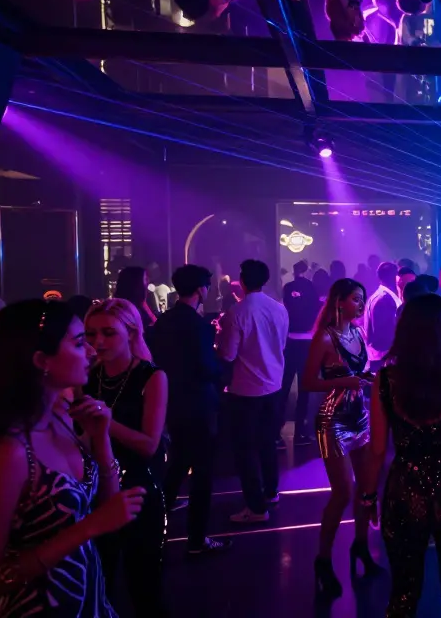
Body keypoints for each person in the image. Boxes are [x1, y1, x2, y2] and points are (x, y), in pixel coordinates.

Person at [0, 300, 144, 617]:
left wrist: (101, 440)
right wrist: (86, 529)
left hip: (87, 600)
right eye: (79, 342)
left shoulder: (61, 419)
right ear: (41, 360)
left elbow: (108, 509)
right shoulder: (6, 454)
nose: (91, 350)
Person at [362, 293, 441, 617]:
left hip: (405, 487)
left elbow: (376, 449)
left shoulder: (385, 380)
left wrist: (368, 497)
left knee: (403, 591)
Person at [83, 299, 169, 617]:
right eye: (90, 335)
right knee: (96, 583)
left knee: (145, 585)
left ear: (131, 333)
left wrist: (106, 422)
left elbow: (149, 444)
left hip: (137, 488)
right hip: (91, 489)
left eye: (108, 333)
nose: (98, 342)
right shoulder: (87, 377)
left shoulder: (152, 376)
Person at [301, 278, 380, 597]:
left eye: (361, 298)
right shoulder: (324, 337)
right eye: (356, 299)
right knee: (342, 493)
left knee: (366, 489)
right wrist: (345, 382)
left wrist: (368, 379)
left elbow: (361, 375)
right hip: (333, 420)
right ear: (339, 302)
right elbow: (307, 382)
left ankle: (360, 547)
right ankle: (323, 560)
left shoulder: (358, 333)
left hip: (360, 416)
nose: (361, 304)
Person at [148, 265, 230, 556]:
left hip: (172, 402)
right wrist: (223, 368)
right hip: (199, 404)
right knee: (203, 473)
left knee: (179, 463)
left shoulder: (163, 321)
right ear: (200, 290)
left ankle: (153, 526)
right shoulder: (199, 325)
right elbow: (206, 367)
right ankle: (197, 539)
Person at [217, 260, 289, 523]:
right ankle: (271, 493)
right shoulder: (279, 309)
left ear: (242, 281)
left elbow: (228, 354)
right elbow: (280, 344)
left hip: (246, 389)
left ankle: (256, 508)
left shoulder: (236, 312)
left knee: (245, 448)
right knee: (267, 442)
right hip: (274, 384)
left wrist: (216, 341)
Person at [281, 260, 321, 446]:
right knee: (304, 388)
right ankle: (301, 430)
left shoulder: (288, 287)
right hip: (307, 341)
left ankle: (276, 429)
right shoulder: (311, 287)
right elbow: (317, 310)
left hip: (290, 341)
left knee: (285, 386)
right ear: (306, 271)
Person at [365, 261, 402, 371]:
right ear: (395, 277)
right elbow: (383, 334)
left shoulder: (380, 295)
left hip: (380, 357)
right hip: (383, 359)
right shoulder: (384, 299)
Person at [114, 266, 157, 330]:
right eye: (145, 279)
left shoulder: (141, 303)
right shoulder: (126, 309)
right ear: (137, 282)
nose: (148, 281)